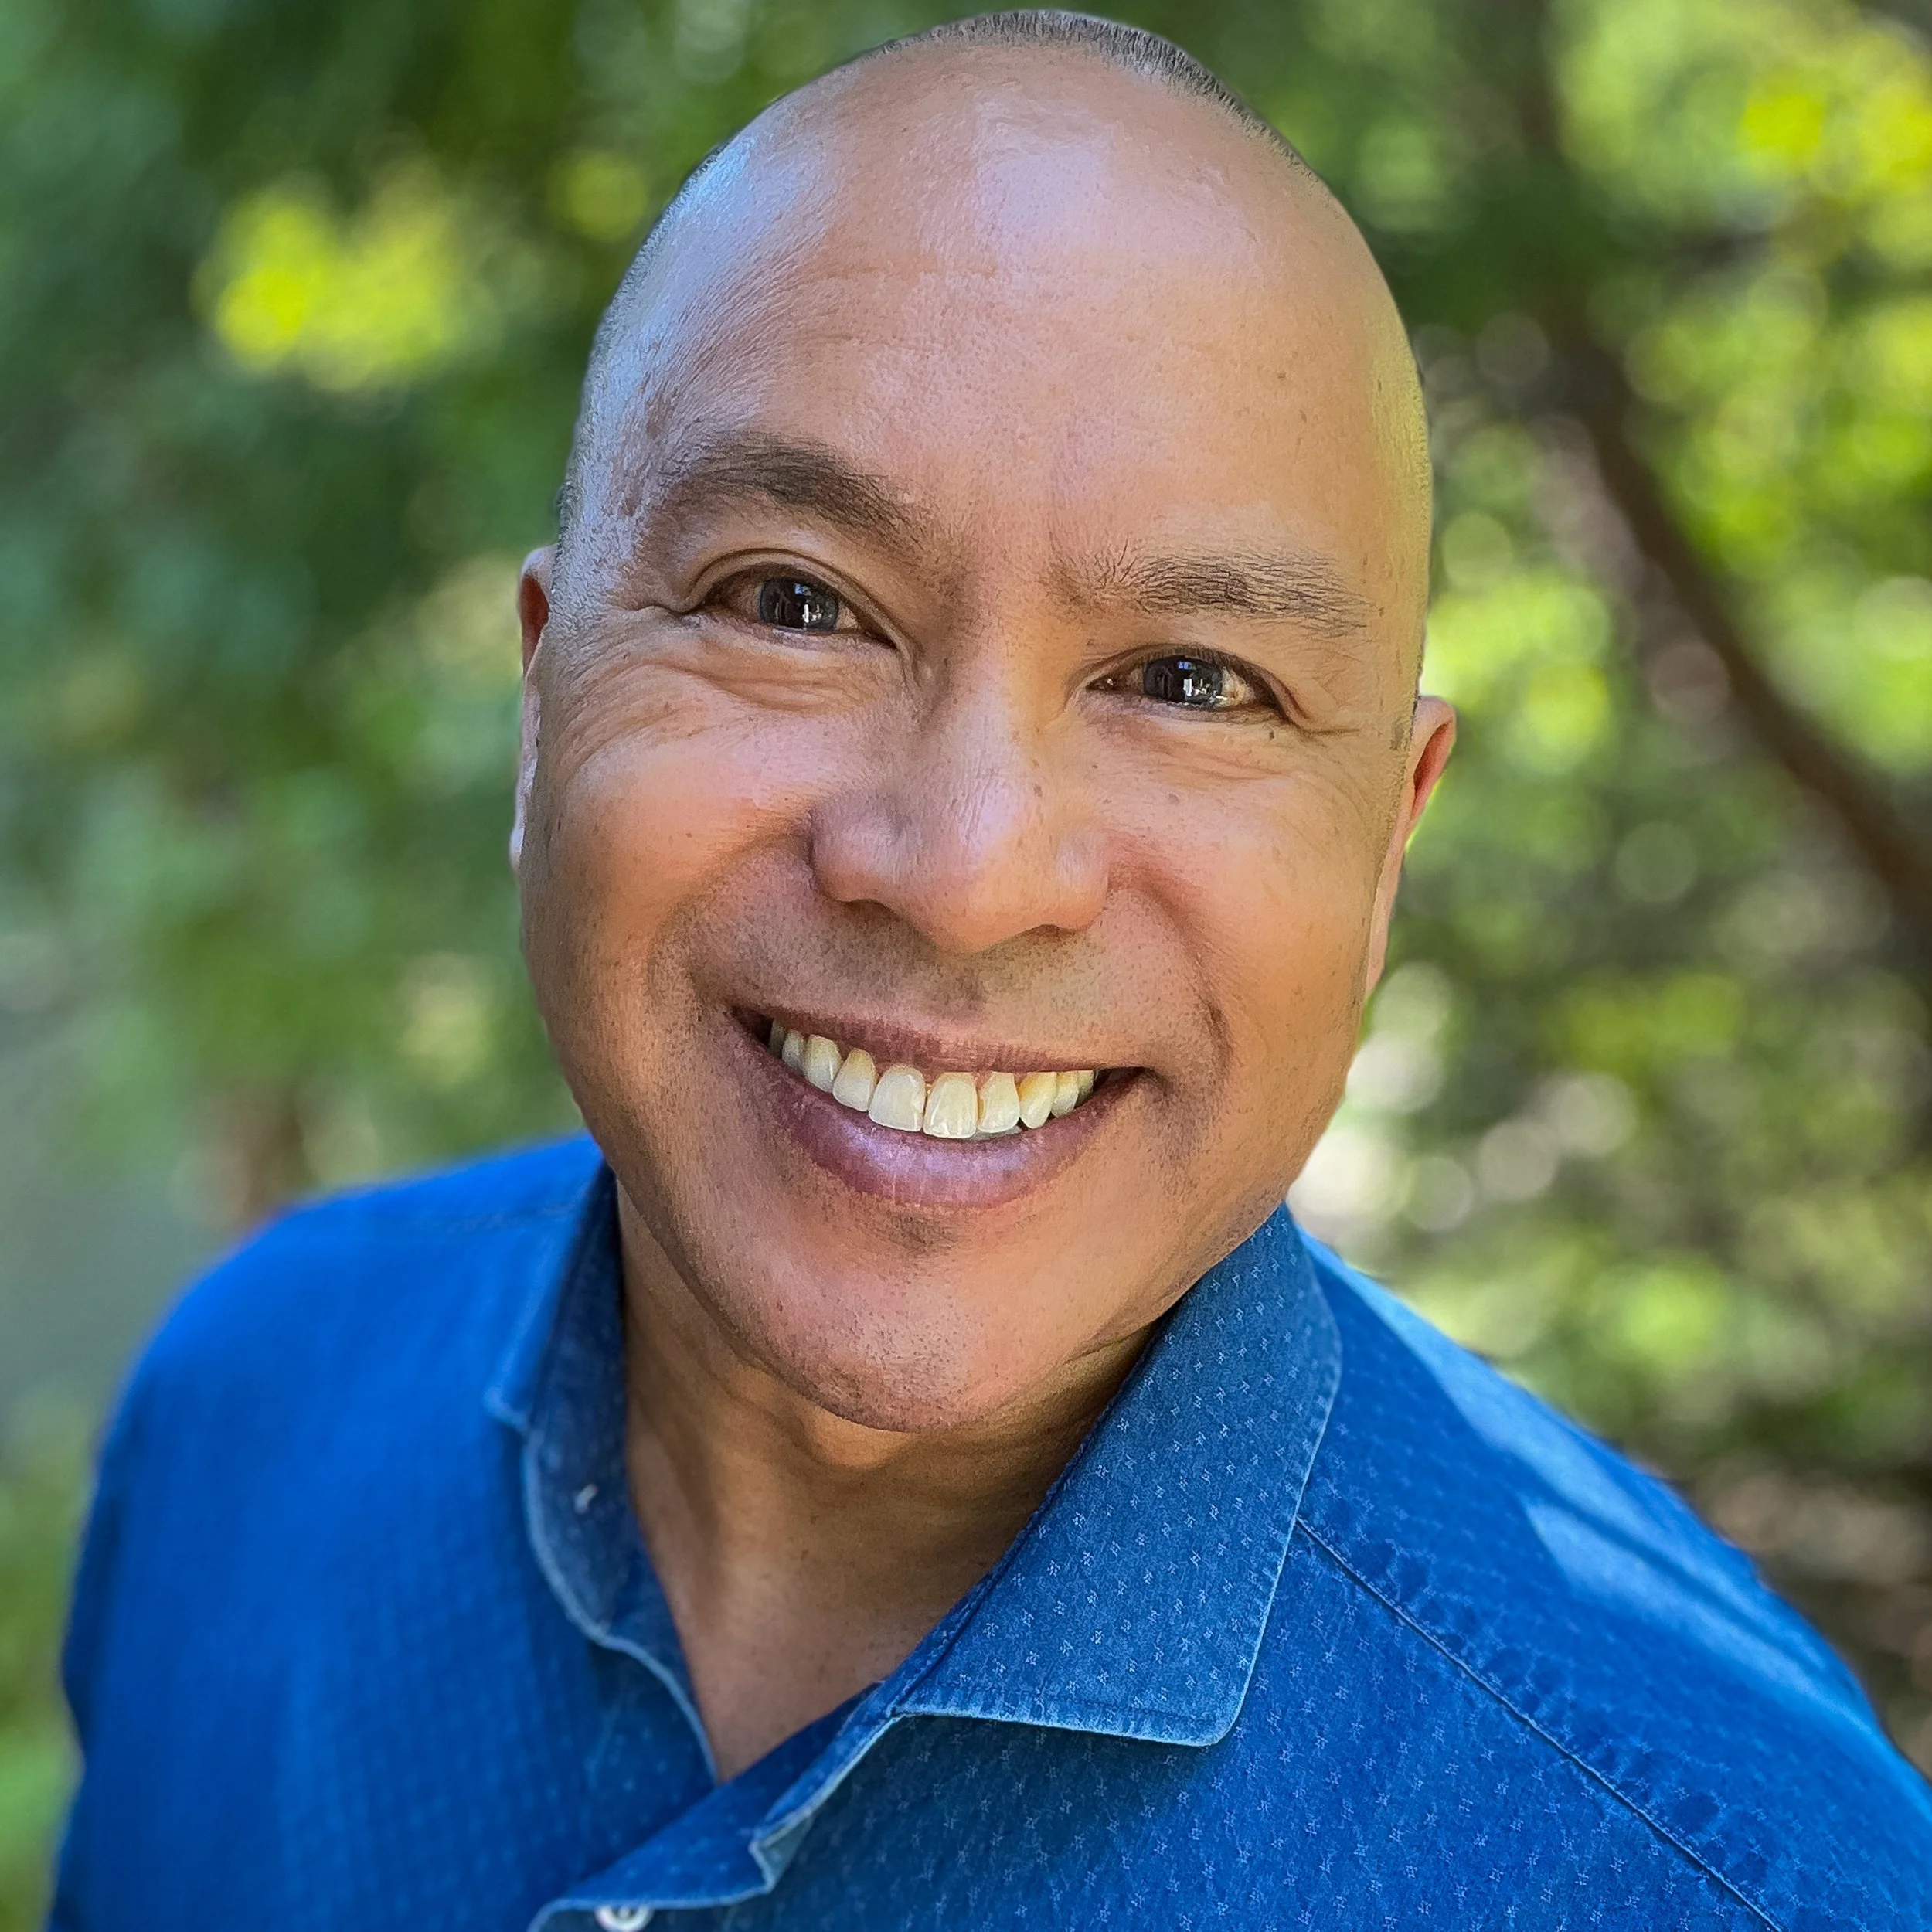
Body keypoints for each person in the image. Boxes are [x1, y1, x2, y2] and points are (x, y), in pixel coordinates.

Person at [50, 12, 1932, 1929]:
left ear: (1387, 841)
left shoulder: (1719, 1875)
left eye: (1190, 681)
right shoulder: (242, 1418)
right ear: (545, 701)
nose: (962, 875)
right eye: (794, 603)